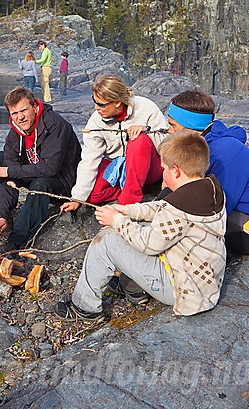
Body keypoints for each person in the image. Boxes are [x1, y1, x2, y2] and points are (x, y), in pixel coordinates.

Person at [55, 130, 226, 321]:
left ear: (175, 171)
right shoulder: (208, 191)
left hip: (184, 290)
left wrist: (116, 221)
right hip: (205, 281)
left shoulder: (177, 209)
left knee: (107, 240)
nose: (162, 173)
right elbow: (161, 208)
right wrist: (127, 211)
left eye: (163, 169)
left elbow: (149, 244)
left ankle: (84, 307)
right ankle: (135, 290)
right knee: (137, 226)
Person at [166, 90, 249, 254]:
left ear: (190, 125)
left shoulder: (225, 153)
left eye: (173, 125)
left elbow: (218, 205)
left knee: (181, 232)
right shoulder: (202, 145)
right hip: (237, 215)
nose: (169, 131)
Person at [0, 87, 81, 250]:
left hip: (64, 184)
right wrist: (2, 213)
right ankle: (3, 219)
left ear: (35, 107)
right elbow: (8, 174)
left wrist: (9, 171)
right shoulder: (15, 132)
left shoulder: (55, 125)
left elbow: (50, 169)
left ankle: (17, 240)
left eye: (23, 110)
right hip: (38, 173)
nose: (20, 117)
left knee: (40, 182)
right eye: (14, 113)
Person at [61, 75, 169, 212]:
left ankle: (127, 203)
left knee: (138, 140)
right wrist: (77, 198)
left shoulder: (145, 107)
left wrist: (146, 131)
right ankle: (129, 189)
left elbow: (166, 144)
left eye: (101, 104)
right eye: (94, 101)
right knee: (91, 196)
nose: (96, 108)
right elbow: (89, 160)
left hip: (149, 168)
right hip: (119, 169)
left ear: (117, 102)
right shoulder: (96, 121)